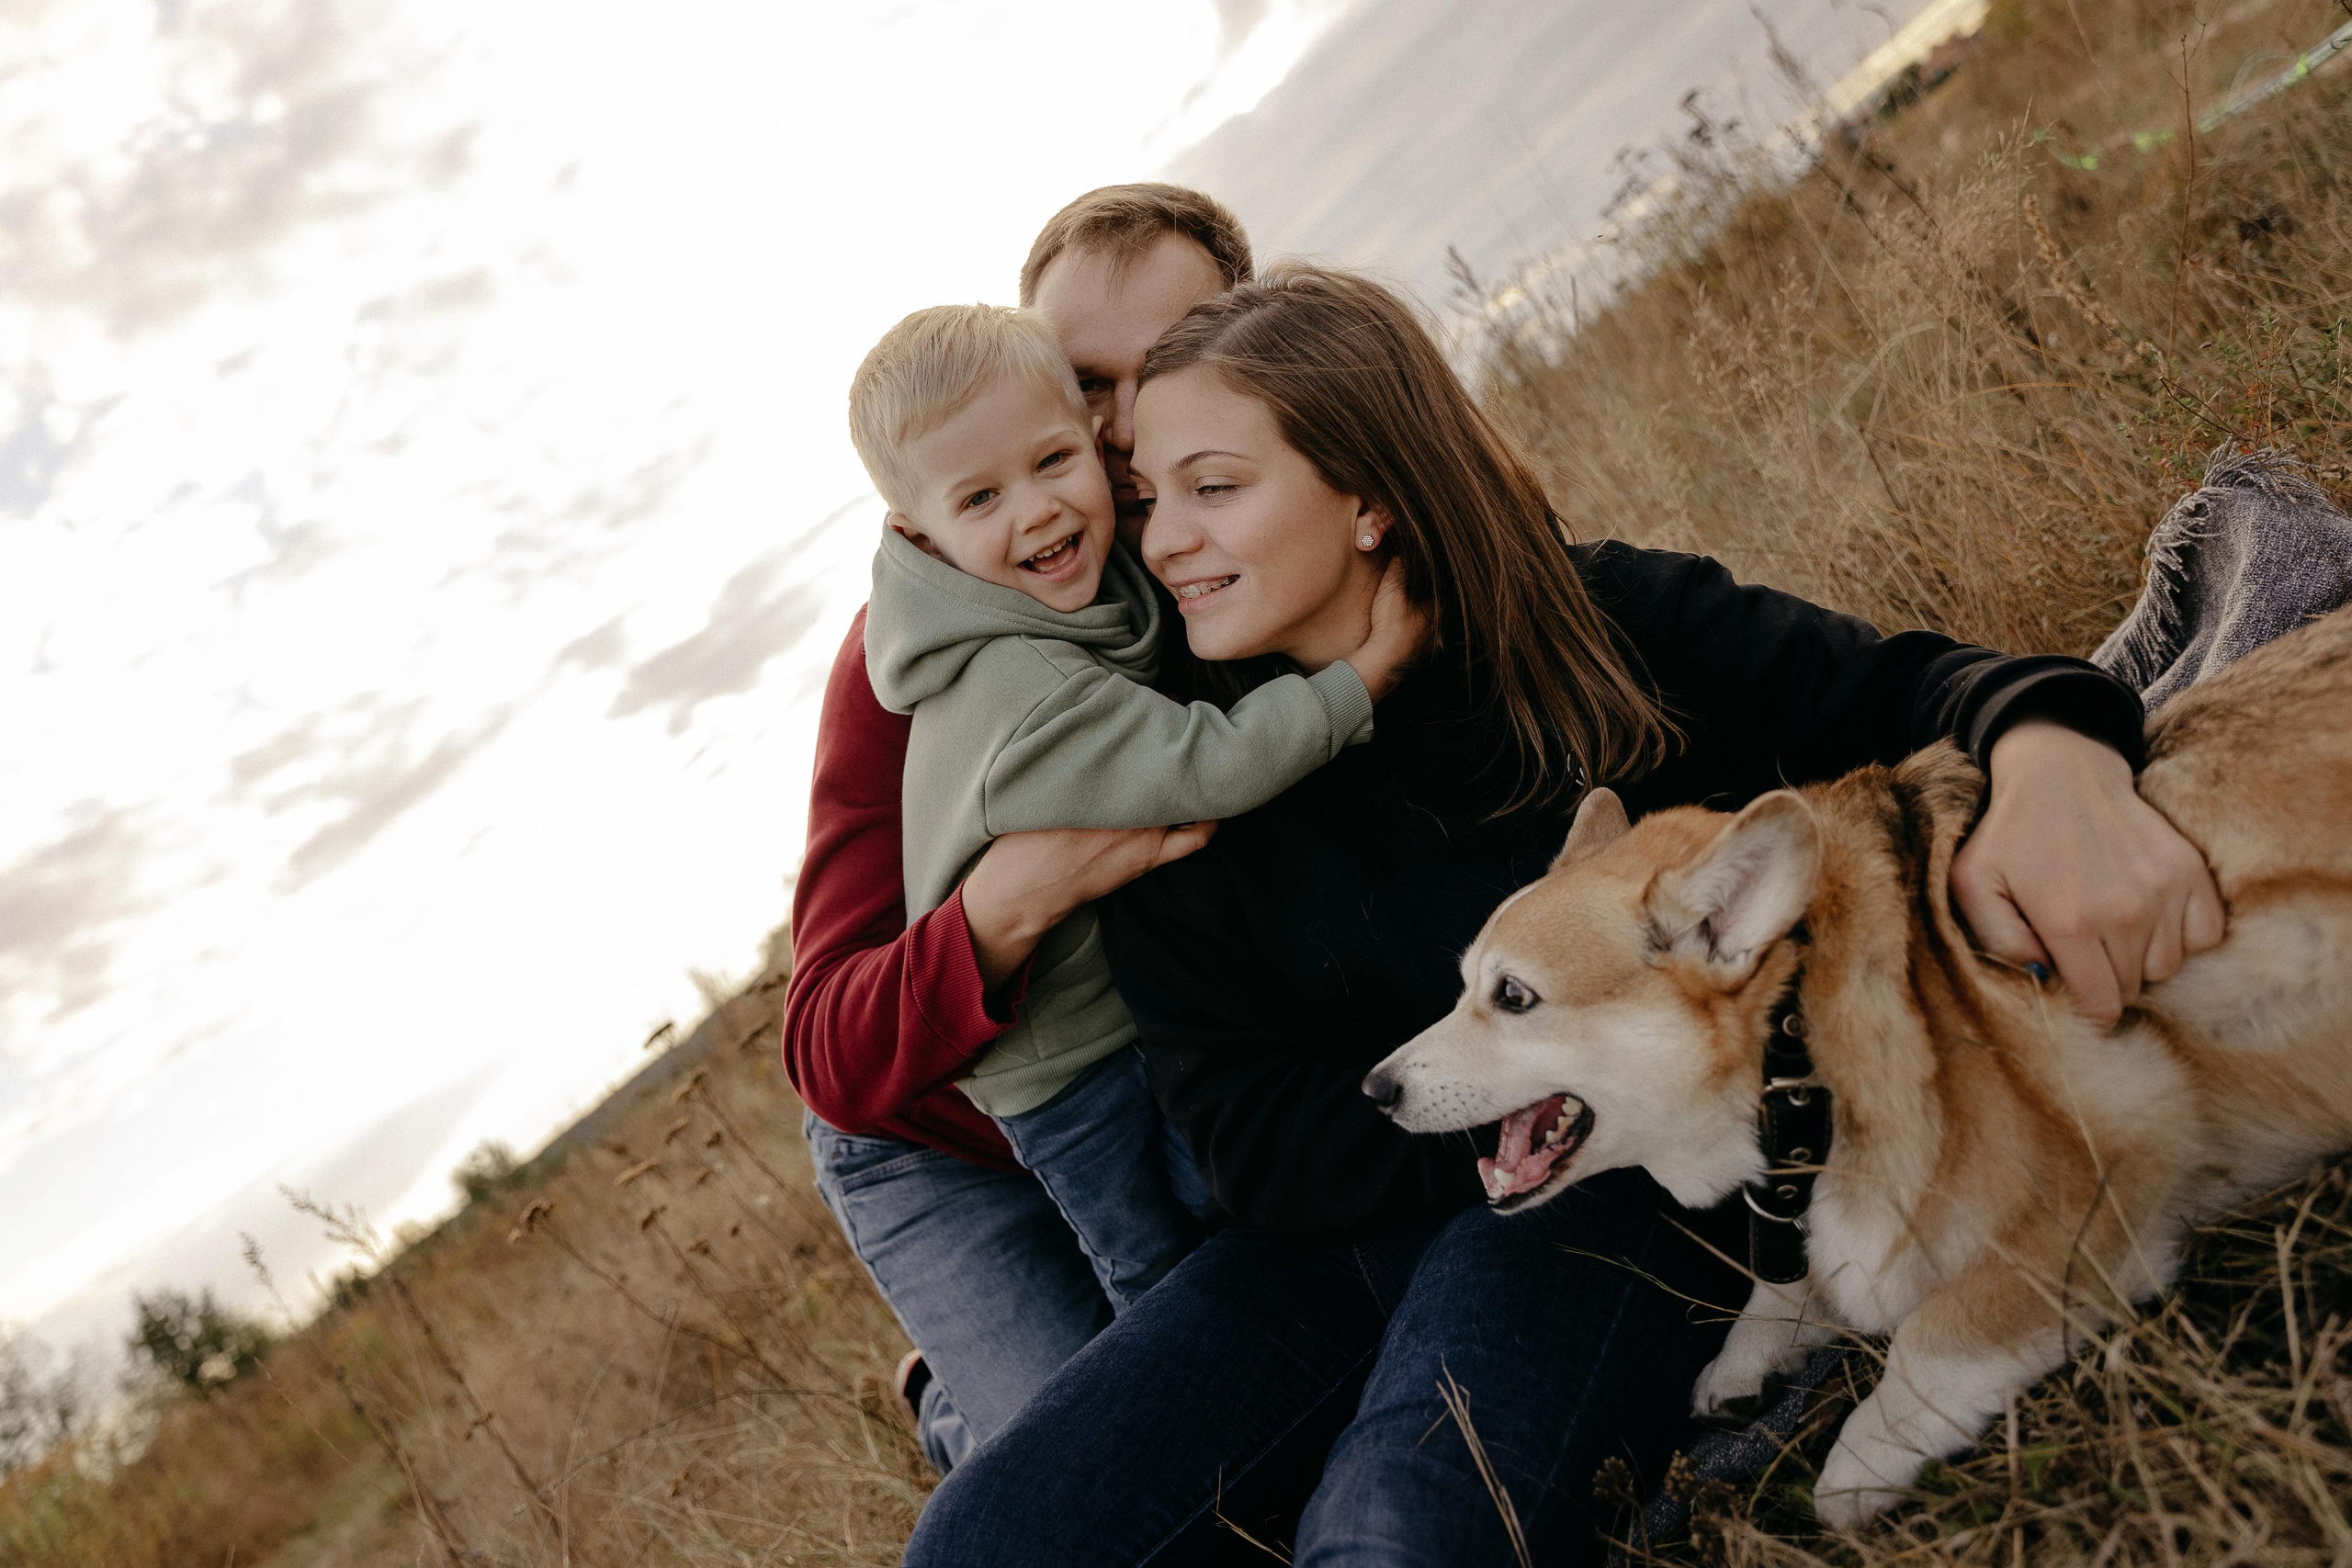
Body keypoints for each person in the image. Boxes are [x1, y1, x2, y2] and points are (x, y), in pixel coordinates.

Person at [898, 266, 2226, 1565]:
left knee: (1393, 1533)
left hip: (1605, 1200)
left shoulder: (1601, 625)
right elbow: (1250, 1144)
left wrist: (2058, 757)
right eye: (1150, 498)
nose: (1162, 542)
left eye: (1215, 488)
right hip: (1324, 1256)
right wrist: (1489, 1103)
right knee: (984, 1539)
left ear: (1367, 498)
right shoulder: (1177, 770)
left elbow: (1918, 685)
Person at [780, 184, 1256, 1472]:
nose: (1118, 428)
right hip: (935, 1134)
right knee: (1117, 1475)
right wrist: (1004, 905)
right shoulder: (910, 668)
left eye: (1166, 363)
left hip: (1125, 1089)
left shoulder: (1230, 540)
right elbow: (827, 1052)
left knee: (1236, 1378)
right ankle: (958, 1408)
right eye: (1086, 385)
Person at [844, 300, 1421, 1314]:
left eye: (1053, 462)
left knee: (1215, 1197)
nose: (1037, 511)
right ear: (919, 535)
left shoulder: (1089, 578)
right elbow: (1210, 765)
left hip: (1121, 1001)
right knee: (1151, 1261)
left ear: (1094, 440)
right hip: (1055, 1068)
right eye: (981, 498)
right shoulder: (1019, 686)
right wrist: (1361, 679)